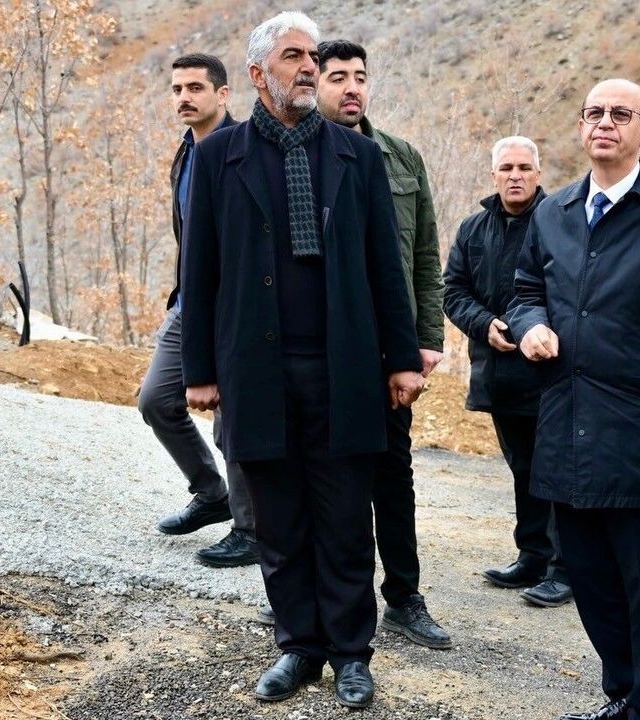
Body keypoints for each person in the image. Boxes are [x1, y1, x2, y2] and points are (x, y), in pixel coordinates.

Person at [179, 11, 425, 708]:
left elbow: (386, 268)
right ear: (259, 73)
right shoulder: (218, 157)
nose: (310, 67)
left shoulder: (358, 157)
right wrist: (200, 370)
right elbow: (199, 271)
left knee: (344, 518)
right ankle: (298, 648)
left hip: (343, 368)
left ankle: (351, 654)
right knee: (278, 521)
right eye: (294, 56)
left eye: (313, 55)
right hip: (255, 369)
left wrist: (401, 358)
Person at [508, 78, 640, 720]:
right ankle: (624, 696)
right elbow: (524, 290)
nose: (605, 123)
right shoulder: (555, 211)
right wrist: (529, 326)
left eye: (621, 114)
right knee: (588, 575)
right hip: (565, 417)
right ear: (581, 126)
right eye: (594, 113)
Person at [314, 39, 451, 649]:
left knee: (392, 474)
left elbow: (424, 252)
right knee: (319, 474)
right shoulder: (300, 156)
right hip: (319, 346)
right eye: (337, 77)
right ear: (314, 83)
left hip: (387, 348)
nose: (352, 88)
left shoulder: (400, 157)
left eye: (360, 77)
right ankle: (319, 597)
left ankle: (404, 596)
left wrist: (426, 340)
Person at [139, 53, 258, 569]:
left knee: (233, 420)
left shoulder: (246, 152)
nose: (184, 97)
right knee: (156, 400)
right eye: (177, 89)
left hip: (237, 309)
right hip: (189, 304)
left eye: (195, 88)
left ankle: (251, 530)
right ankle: (212, 493)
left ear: (223, 94)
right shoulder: (185, 152)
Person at [443, 136, 571, 608]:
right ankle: (532, 557)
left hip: (551, 373)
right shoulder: (473, 228)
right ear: (493, 174)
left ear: (538, 173)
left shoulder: (561, 222)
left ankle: (565, 569)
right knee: (523, 469)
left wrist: (534, 328)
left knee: (556, 472)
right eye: (506, 168)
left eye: (523, 167)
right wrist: (484, 324)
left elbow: (573, 292)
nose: (515, 176)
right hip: (499, 373)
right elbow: (453, 290)